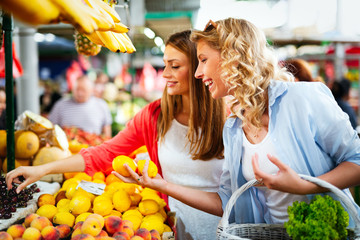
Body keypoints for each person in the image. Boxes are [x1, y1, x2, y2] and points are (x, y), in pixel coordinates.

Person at [114, 18, 360, 228]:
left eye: (203, 60)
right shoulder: (233, 128)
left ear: (232, 57)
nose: (198, 73)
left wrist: (305, 187)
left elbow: (356, 161)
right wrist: (160, 185)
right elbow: (227, 202)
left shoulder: (303, 98)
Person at [6, 30, 227, 240]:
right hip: (174, 229)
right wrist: (42, 169)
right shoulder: (154, 117)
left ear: (201, 68)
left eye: (175, 66)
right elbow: (104, 153)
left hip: (228, 228)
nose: (165, 74)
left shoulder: (229, 117)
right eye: (165, 65)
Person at [48, 74, 112, 138]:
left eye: (83, 90)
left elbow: (107, 130)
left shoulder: (101, 105)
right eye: (77, 89)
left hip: (93, 145)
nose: (79, 93)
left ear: (91, 90)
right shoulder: (60, 105)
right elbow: (51, 126)